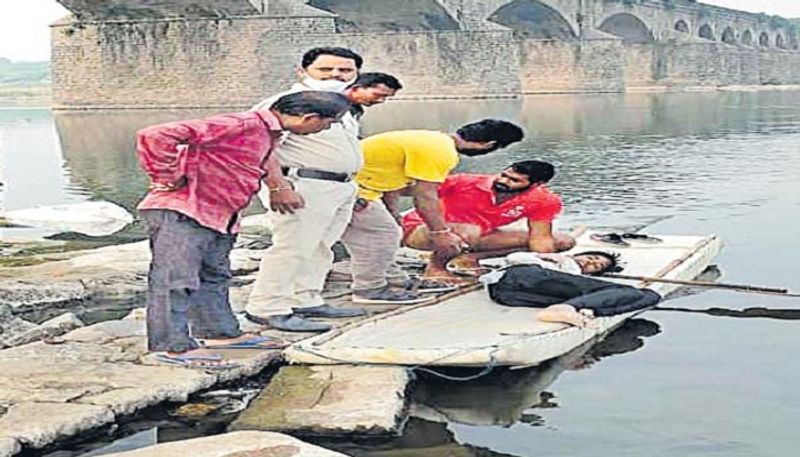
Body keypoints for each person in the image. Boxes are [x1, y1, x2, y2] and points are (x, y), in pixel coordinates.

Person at [136, 91, 352, 370]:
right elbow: (156, 134)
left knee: (214, 276)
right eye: (329, 122)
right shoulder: (241, 124)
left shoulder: (270, 133)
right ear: (308, 118)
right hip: (184, 208)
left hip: (220, 213)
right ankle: (170, 346)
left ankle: (219, 332)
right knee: (174, 279)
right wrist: (165, 176)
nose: (328, 128)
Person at [245, 48, 403, 332]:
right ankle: (267, 307)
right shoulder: (283, 103)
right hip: (302, 184)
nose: (335, 75)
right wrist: (278, 186)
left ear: (355, 75)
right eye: (325, 70)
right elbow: (259, 146)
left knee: (321, 245)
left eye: (344, 71)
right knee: (292, 247)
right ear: (303, 72)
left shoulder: (342, 107)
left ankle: (305, 298)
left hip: (338, 186)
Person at [341, 119, 525, 304]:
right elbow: (425, 196)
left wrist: (393, 212)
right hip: (353, 190)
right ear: (489, 145)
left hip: (361, 188)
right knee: (382, 236)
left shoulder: (434, 140)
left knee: (390, 232)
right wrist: (440, 233)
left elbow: (391, 179)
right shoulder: (441, 151)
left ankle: (394, 279)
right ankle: (369, 289)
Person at [402, 160, 576, 263]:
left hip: (481, 236)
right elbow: (418, 191)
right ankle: (436, 267)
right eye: (504, 175)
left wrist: (547, 263)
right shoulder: (465, 181)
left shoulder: (545, 200)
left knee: (562, 241)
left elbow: (540, 237)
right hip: (423, 230)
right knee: (470, 231)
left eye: (513, 180)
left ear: (537, 184)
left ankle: (473, 258)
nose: (502, 181)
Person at [480, 251, 661, 328]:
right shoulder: (560, 261)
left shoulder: (576, 278)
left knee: (650, 296)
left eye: (595, 266)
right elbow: (514, 258)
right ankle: (567, 309)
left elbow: (575, 280)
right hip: (522, 276)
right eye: (591, 257)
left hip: (508, 296)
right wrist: (543, 256)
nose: (590, 262)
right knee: (631, 292)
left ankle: (586, 309)